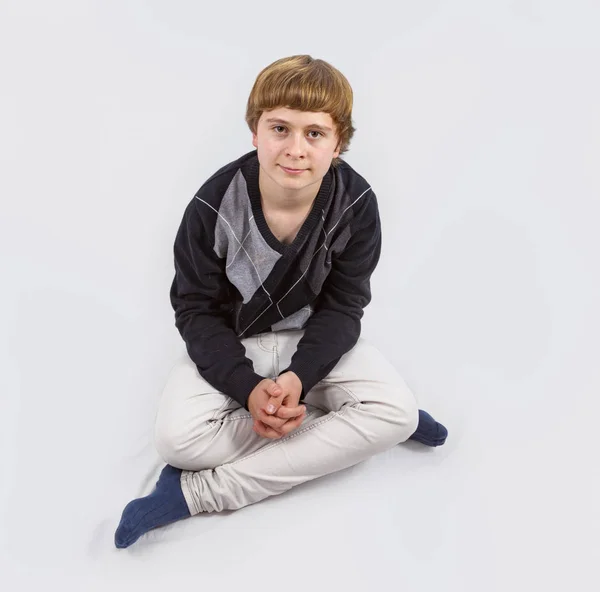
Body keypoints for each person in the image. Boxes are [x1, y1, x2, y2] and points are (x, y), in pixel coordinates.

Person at [114, 55, 448, 549]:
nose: (295, 149)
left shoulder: (356, 203)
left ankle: (198, 492)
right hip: (236, 343)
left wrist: (300, 376)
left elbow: (344, 305)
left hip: (313, 344)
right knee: (176, 441)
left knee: (395, 412)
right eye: (279, 128)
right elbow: (196, 311)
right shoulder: (212, 205)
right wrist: (249, 389)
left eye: (314, 133)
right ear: (254, 132)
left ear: (339, 143)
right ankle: (357, 422)